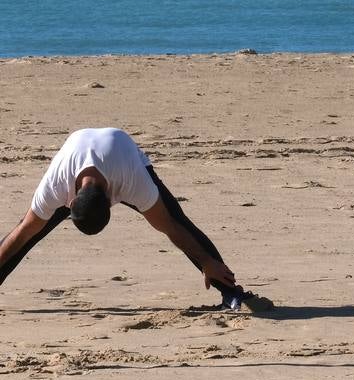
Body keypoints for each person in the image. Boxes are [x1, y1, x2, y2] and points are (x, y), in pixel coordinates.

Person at [0, 127, 271, 312]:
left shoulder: (133, 182)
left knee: (177, 217)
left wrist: (207, 261)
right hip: (78, 151)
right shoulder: (55, 186)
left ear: (113, 200)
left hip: (124, 153)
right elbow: (21, 233)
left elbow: (170, 227)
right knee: (30, 232)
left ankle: (232, 294)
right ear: (68, 203)